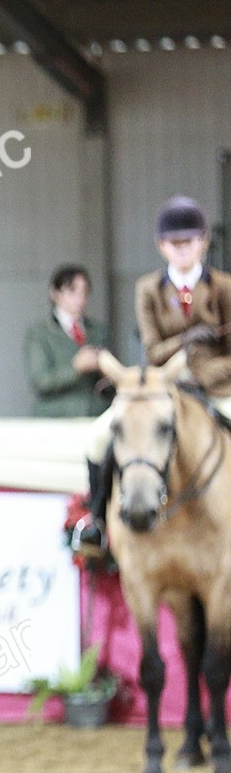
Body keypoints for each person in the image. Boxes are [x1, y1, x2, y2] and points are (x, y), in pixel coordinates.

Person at [79, 195, 231, 552]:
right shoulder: (148, 288)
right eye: (174, 243)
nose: (182, 250)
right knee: (98, 438)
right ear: (162, 246)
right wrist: (187, 339)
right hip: (165, 386)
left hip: (219, 387)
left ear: (203, 242)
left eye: (189, 242)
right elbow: (152, 348)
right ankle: (97, 523)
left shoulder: (224, 286)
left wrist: (205, 372)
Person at [24, 265, 113, 417]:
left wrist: (105, 371)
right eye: (72, 292)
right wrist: (76, 367)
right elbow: (41, 381)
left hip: (95, 415)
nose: (80, 299)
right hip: (57, 417)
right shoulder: (39, 333)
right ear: (55, 293)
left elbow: (110, 386)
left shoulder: (99, 331)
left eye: (84, 292)